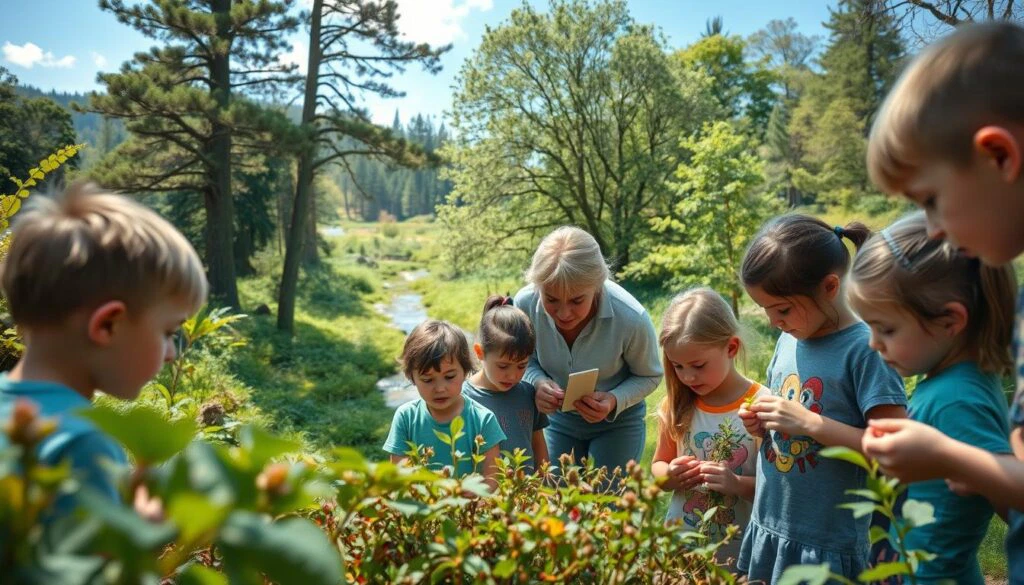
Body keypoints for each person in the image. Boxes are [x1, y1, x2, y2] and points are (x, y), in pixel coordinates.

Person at [854, 21, 1024, 584]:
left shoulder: (959, 400)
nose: (934, 229)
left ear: (999, 155)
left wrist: (954, 459)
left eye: (930, 199)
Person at [0, 181, 208, 517]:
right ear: (108, 325)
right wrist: (144, 527)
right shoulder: (82, 445)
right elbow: (95, 567)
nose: (171, 353)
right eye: (168, 332)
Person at [735, 214, 908, 583]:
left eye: (781, 309)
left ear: (830, 286)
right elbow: (787, 424)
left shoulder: (866, 350)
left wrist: (810, 423)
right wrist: (761, 425)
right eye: (766, 310)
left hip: (832, 538)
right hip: (776, 522)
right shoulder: (790, 337)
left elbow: (897, 450)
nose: (772, 322)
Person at [849, 212, 1014, 585]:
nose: (874, 344)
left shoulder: (958, 398)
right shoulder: (946, 382)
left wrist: (967, 468)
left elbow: (1009, 499)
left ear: (949, 321)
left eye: (886, 329)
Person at [513, 226, 662, 474]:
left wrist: (614, 400)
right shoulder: (525, 304)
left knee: (610, 504)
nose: (563, 313)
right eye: (551, 299)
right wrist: (537, 382)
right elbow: (523, 358)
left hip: (618, 423)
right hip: (557, 419)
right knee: (557, 502)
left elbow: (650, 375)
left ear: (597, 285)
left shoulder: (631, 318)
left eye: (576, 300)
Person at [651, 288, 767, 565]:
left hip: (739, 556)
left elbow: (777, 487)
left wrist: (737, 484)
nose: (688, 376)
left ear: (731, 348)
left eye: (698, 365)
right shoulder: (677, 404)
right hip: (683, 550)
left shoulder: (762, 405)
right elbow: (658, 465)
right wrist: (669, 476)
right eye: (677, 366)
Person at [383, 319, 506, 485]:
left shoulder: (483, 420)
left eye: (449, 377)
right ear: (411, 377)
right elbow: (399, 477)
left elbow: (492, 480)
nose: (440, 388)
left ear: (465, 371)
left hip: (469, 508)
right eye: (427, 379)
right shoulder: (406, 418)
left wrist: (477, 497)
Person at [462, 295, 549, 472]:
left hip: (527, 494)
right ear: (479, 352)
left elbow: (538, 445)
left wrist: (546, 485)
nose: (512, 375)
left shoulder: (528, 394)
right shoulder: (463, 398)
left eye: (522, 366)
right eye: (503, 366)